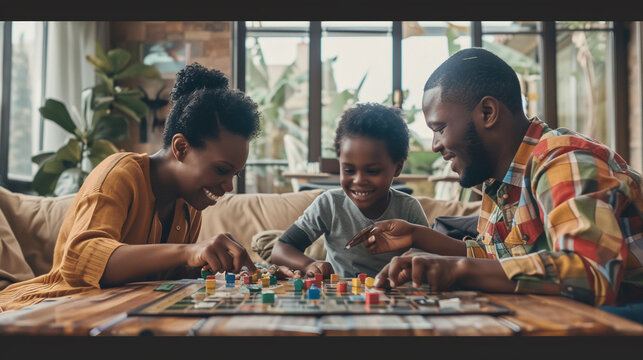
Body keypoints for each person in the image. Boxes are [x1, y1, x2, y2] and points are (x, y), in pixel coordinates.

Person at [348, 48, 643, 322]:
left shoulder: (563, 159)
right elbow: (498, 259)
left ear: (487, 112)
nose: (436, 145)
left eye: (439, 128)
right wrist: (417, 236)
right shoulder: (497, 180)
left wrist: (459, 269)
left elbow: (590, 272)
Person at [0, 63, 261, 312]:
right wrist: (188, 251)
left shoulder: (189, 205)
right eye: (221, 170)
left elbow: (166, 276)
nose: (228, 186)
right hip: (50, 309)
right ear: (181, 148)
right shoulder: (119, 172)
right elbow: (81, 260)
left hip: (123, 315)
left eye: (235, 174)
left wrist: (237, 269)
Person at [271, 103, 430, 278]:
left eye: (372, 171)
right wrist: (309, 264)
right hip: (339, 298)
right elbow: (281, 249)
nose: (359, 180)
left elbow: (429, 258)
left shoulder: (408, 208)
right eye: (348, 170)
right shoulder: (330, 204)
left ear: (397, 168)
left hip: (391, 298)